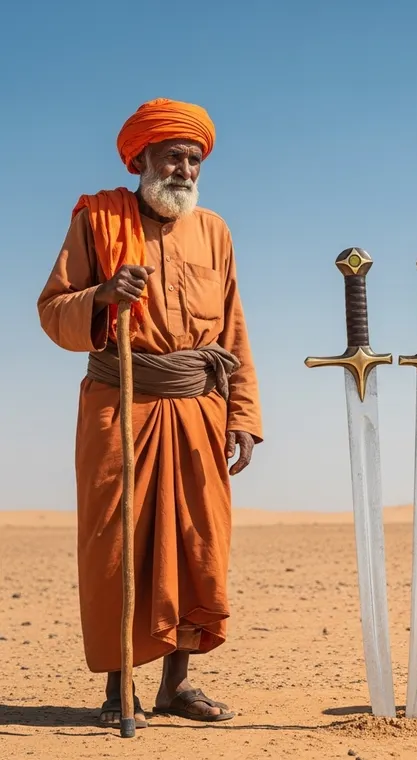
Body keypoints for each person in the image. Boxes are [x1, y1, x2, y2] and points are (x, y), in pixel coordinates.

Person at [37, 98, 262, 728]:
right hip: (121, 405)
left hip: (199, 408)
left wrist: (242, 413)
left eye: (195, 159)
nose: (186, 169)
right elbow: (53, 309)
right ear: (141, 159)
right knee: (120, 544)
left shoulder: (215, 230)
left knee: (197, 546)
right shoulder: (97, 221)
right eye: (173, 156)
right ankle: (119, 689)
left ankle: (175, 685)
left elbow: (235, 328)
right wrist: (103, 295)